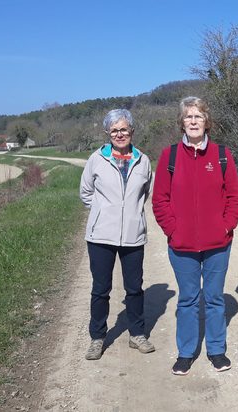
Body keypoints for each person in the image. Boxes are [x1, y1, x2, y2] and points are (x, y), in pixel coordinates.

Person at [152, 96, 238, 375]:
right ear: (182, 122)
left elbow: (235, 198)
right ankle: (186, 352)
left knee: (214, 298)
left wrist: (226, 226)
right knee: (188, 299)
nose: (193, 121)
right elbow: (160, 199)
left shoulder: (222, 155)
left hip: (218, 244)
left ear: (207, 122)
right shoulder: (170, 156)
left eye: (198, 117)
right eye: (189, 117)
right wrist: (173, 229)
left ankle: (216, 350)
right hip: (182, 245)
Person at [80, 109, 154, 360]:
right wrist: (104, 213)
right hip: (101, 237)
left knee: (134, 289)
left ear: (132, 131)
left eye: (123, 129)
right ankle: (97, 338)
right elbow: (86, 193)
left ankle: (137, 335)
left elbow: (145, 193)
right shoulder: (96, 159)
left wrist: (130, 214)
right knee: (101, 289)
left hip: (133, 235)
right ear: (107, 134)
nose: (119, 134)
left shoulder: (143, 160)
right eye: (114, 130)